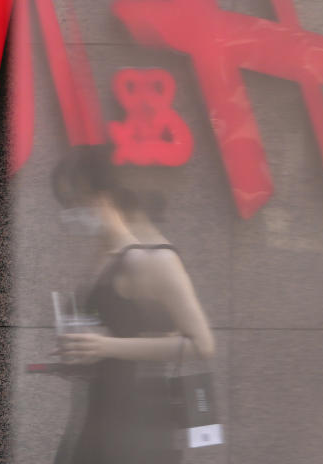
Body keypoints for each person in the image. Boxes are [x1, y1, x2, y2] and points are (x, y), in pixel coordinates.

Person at [50, 145, 215, 464]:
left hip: (137, 426)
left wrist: (106, 347)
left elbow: (202, 344)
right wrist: (84, 352)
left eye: (73, 203)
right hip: (99, 416)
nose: (69, 215)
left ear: (102, 197)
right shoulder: (106, 257)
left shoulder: (152, 259)